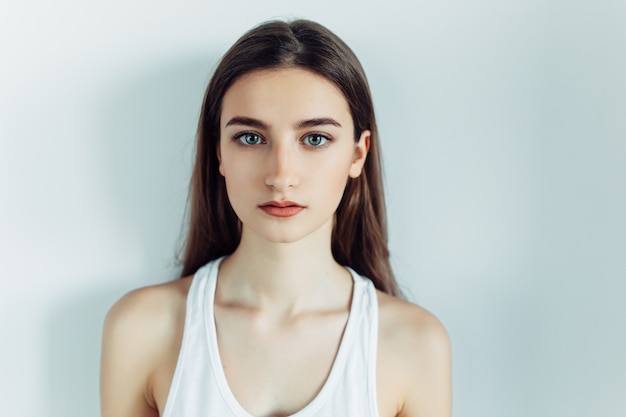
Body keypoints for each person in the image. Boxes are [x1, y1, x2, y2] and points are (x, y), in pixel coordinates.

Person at [100, 19, 451, 417]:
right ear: (219, 152)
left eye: (315, 139)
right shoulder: (142, 330)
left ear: (357, 154)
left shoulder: (416, 345)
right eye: (251, 138)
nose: (281, 176)